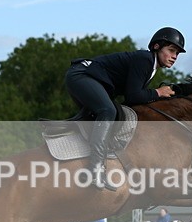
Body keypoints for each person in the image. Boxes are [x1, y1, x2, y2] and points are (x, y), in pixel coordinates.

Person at [65, 27, 185, 190]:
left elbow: (133, 100)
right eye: (171, 50)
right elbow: (133, 96)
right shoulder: (145, 59)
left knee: (111, 113)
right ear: (156, 46)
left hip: (88, 78)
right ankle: (95, 170)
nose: (174, 57)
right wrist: (158, 92)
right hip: (81, 75)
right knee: (108, 111)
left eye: (177, 54)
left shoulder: (151, 67)